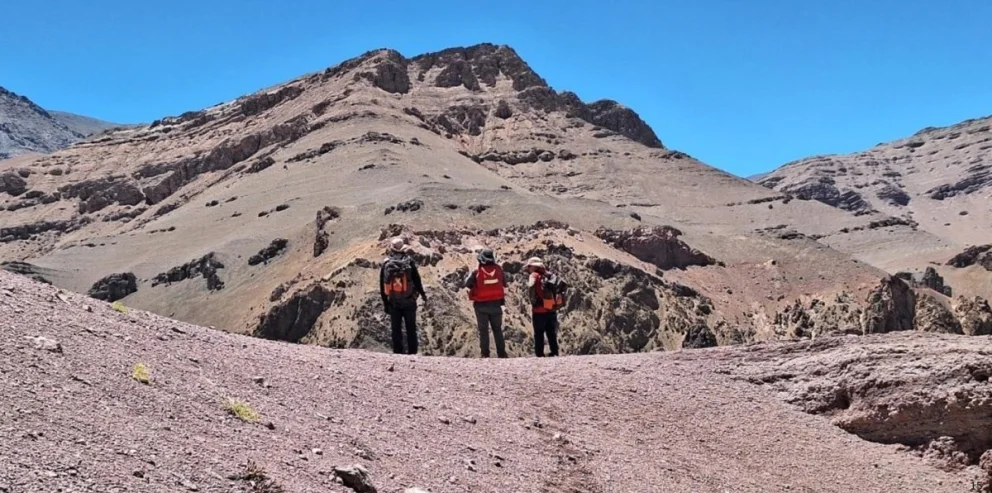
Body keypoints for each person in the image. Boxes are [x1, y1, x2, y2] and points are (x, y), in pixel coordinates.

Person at [380, 238, 427, 355]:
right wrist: (422, 294)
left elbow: (382, 284)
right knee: (411, 328)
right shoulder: (409, 262)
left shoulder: (386, 263)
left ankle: (398, 353)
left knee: (396, 329)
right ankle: (412, 353)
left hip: (393, 301)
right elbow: (417, 280)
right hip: (409, 300)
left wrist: (385, 302)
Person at [464, 248, 508, 358]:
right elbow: (504, 283)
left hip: (481, 305)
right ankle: (502, 354)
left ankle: (485, 354)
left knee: (483, 331)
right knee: (497, 330)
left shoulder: (476, 271)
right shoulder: (498, 269)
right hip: (496, 304)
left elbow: (467, 283)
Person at [525, 256, 564, 357]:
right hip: (551, 308)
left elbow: (531, 286)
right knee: (551, 333)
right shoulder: (550, 275)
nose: (528, 269)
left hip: (539, 310)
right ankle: (554, 352)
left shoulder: (534, 275)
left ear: (533, 266)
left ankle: (539, 354)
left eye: (529, 266)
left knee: (539, 333)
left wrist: (533, 301)